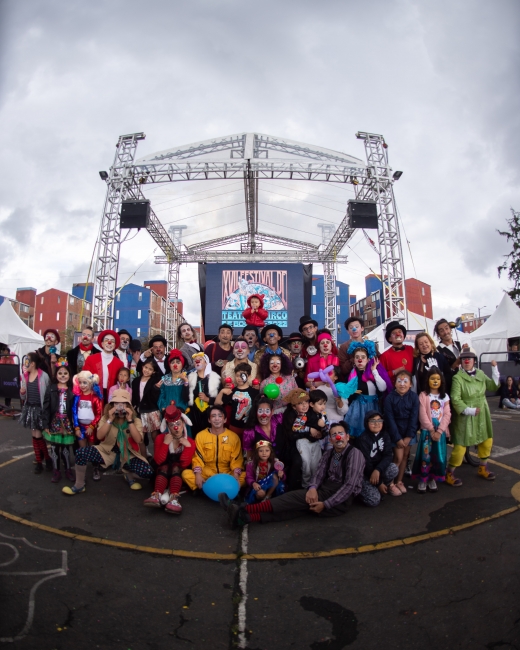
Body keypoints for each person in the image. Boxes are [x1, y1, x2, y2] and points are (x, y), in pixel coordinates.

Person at [220, 422, 365, 528]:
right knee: (292, 510)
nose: (338, 437)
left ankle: (241, 508)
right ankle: (246, 518)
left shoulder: (354, 454)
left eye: (340, 433)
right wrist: (313, 487)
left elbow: (349, 486)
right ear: (331, 440)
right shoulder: (329, 453)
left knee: (291, 499)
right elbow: (320, 473)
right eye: (334, 434)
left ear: (347, 436)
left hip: (339, 500)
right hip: (324, 491)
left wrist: (326, 505)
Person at [63, 389, 153, 495]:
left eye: (123, 404)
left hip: (128, 455)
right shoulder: (106, 418)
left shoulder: (135, 420)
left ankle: (128, 474)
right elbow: (99, 436)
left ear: (128, 406)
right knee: (81, 453)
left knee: (148, 472)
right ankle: (79, 485)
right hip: (107, 452)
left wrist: (130, 421)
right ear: (112, 405)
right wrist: (110, 420)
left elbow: (138, 439)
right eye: (117, 404)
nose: (120, 407)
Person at [447, 348, 500, 486]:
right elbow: (455, 398)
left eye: (469, 359)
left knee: (486, 440)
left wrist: (494, 369)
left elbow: (493, 386)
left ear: (474, 361)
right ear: (461, 362)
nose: (467, 361)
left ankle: (483, 468)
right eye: (464, 359)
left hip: (482, 413)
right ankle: (449, 473)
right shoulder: (457, 378)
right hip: (465, 415)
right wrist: (468, 410)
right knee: (460, 447)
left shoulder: (481, 374)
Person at [143, 403, 195, 513]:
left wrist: (188, 447)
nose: (176, 427)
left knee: (176, 467)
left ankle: (174, 498)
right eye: (172, 425)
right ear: (167, 426)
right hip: (162, 474)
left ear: (183, 424)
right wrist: (165, 444)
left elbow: (184, 465)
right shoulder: (161, 438)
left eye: (178, 423)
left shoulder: (190, 441)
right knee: (165, 467)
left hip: (179, 476)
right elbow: (157, 460)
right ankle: (156, 495)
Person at [182, 405, 245, 492]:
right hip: (207, 473)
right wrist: (198, 475)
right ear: (209, 420)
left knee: (245, 476)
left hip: (226, 473)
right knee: (186, 474)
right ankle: (219, 490)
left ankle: (205, 489)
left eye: (220, 416)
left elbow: (237, 460)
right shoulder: (201, 436)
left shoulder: (233, 437)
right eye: (213, 416)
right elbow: (197, 458)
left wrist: (236, 476)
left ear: (225, 419)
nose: (217, 419)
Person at [337, 341, 392, 439]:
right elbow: (346, 393)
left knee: (373, 435)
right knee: (357, 438)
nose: (360, 360)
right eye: (357, 357)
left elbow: (383, 388)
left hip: (373, 408)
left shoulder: (374, 373)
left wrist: (374, 370)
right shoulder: (351, 376)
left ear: (368, 359)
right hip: (357, 409)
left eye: (363, 357)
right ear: (353, 360)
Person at [412, 366, 451, 493]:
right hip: (427, 432)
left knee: (437, 456)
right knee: (425, 456)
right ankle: (423, 479)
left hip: (440, 433)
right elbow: (422, 414)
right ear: (428, 380)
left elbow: (447, 414)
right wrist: (431, 429)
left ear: (441, 381)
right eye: (432, 378)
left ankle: (432, 478)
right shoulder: (423, 395)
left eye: (437, 379)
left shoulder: (444, 397)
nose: (435, 381)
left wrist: (439, 431)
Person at [277, 389, 322, 490]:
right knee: (299, 461)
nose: (305, 405)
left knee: (315, 463)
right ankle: (292, 488)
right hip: (292, 445)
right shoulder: (289, 415)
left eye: (306, 402)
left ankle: (314, 485)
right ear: (293, 406)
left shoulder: (310, 413)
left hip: (310, 443)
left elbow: (316, 429)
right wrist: (309, 431)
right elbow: (291, 435)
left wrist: (318, 433)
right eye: (300, 403)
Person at [384, 369, 419, 494]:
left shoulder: (414, 397)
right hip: (395, 431)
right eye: (399, 381)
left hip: (409, 431)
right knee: (398, 457)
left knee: (405, 456)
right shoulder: (389, 398)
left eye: (405, 381)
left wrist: (409, 436)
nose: (402, 384)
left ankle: (399, 481)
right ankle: (390, 482)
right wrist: (398, 438)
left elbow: (414, 417)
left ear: (410, 384)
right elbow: (389, 419)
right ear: (395, 383)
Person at [356, 410, 401, 503]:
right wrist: (379, 483)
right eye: (372, 421)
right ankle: (359, 492)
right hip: (364, 474)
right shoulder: (363, 439)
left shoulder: (385, 435)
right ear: (366, 423)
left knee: (393, 468)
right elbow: (365, 463)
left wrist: (378, 470)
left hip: (377, 470)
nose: (376, 424)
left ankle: (379, 486)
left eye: (379, 420)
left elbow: (388, 455)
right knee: (374, 501)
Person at [42, 358, 75, 483]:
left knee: (66, 448)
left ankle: (67, 469)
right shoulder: (51, 388)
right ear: (56, 375)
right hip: (54, 421)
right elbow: (45, 407)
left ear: (69, 375)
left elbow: (74, 409)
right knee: (54, 447)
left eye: (65, 373)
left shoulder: (72, 390)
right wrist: (45, 424)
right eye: (60, 373)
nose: (63, 376)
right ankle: (56, 470)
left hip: (67, 422)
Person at [19, 352, 51, 474]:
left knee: (38, 436)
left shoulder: (44, 376)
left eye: (27, 361)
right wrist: (22, 392)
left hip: (40, 409)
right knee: (35, 436)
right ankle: (40, 461)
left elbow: (47, 395)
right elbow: (23, 397)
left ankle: (45, 459)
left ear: (32, 364)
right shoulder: (24, 376)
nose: (25, 363)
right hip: (30, 409)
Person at [215, 363, 259, 436]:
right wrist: (222, 392)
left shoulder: (255, 392)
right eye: (237, 375)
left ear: (249, 376)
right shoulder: (231, 391)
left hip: (250, 428)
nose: (239, 378)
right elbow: (217, 404)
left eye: (243, 376)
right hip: (234, 427)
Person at [83, 330, 124, 403]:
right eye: (106, 340)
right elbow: (84, 378)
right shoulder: (91, 359)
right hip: (93, 395)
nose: (109, 342)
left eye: (112, 341)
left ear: (115, 345)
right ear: (102, 344)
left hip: (111, 396)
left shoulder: (119, 363)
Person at [131, 357, 162, 453]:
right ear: (142, 367)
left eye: (150, 369)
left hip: (152, 410)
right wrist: (135, 407)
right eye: (145, 367)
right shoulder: (135, 381)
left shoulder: (155, 381)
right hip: (140, 411)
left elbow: (154, 398)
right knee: (140, 436)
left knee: (154, 435)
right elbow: (135, 396)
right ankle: (143, 458)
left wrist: (156, 389)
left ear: (153, 371)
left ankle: (157, 457)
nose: (147, 370)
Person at [185, 352, 221, 434]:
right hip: (194, 414)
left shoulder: (215, 378)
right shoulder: (190, 378)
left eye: (200, 359)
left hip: (210, 413)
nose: (197, 361)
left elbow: (221, 399)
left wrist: (208, 399)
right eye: (195, 360)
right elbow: (186, 396)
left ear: (206, 362)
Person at [242, 396, 283, 460]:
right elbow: (249, 455)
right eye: (260, 411)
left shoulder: (279, 419)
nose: (264, 415)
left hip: (284, 465)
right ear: (256, 413)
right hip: (263, 467)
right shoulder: (250, 432)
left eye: (267, 411)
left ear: (272, 412)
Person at [71, 370, 104, 452]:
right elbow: (74, 412)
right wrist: (77, 428)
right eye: (80, 382)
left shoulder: (95, 398)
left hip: (91, 428)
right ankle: (83, 464)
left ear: (90, 383)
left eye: (85, 383)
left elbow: (98, 413)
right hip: (80, 427)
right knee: (82, 451)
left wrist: (92, 426)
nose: (82, 385)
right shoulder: (77, 397)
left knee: (91, 450)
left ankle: (93, 464)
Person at [434, 319, 467, 392]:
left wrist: (465, 353)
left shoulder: (458, 344)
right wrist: (456, 363)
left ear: (450, 329)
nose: (445, 332)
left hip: (465, 383)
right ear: (438, 334)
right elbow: (442, 373)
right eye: (441, 330)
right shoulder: (438, 351)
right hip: (452, 387)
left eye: (446, 328)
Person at [379, 321, 414, 386]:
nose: (398, 334)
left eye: (400, 332)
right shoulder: (385, 356)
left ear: (403, 335)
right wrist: (394, 372)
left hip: (411, 390)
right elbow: (380, 376)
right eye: (394, 333)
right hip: (393, 392)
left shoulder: (410, 349)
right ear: (390, 339)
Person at [157, 349, 190, 414]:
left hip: (182, 413)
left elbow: (188, 398)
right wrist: (164, 408)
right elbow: (161, 396)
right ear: (169, 365)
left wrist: (181, 409)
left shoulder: (187, 379)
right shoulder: (164, 379)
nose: (175, 365)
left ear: (182, 365)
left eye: (178, 362)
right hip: (167, 412)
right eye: (172, 363)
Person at [0, 343, 14, 409]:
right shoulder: (2, 358)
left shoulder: (11, 359)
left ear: (8, 352)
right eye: (4, 351)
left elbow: (13, 366)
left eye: (6, 351)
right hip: (3, 377)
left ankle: (8, 404)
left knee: (8, 392)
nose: (5, 352)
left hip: (9, 378)